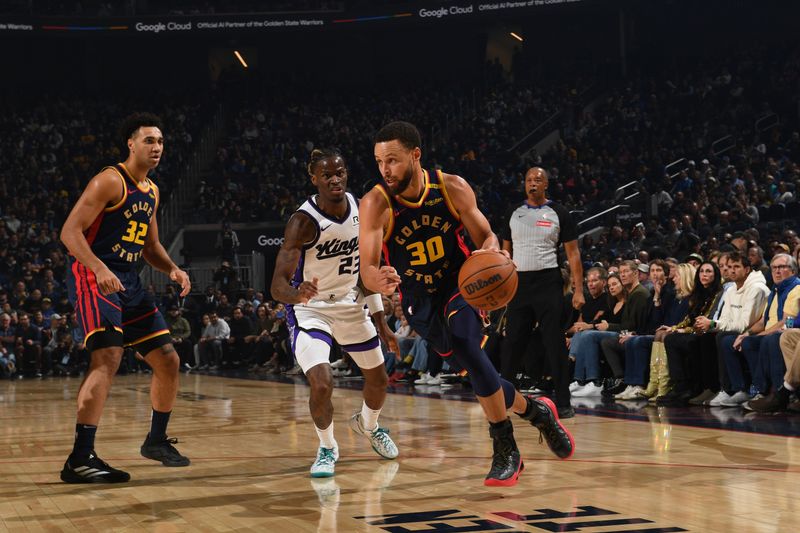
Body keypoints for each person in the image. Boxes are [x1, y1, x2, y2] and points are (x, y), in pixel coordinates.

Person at [359, 121, 573, 487]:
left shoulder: (451, 187)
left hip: (462, 285)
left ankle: (506, 447)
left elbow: (486, 235)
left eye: (392, 160)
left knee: (466, 346)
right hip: (419, 300)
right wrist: (376, 278)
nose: (385, 170)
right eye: (379, 161)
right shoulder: (376, 203)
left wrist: (490, 249)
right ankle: (536, 411)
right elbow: (367, 268)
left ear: (415, 155)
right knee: (474, 371)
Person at [59, 112, 192, 484]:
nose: (157, 147)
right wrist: (99, 268)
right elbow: (70, 233)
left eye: (161, 141)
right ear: (130, 144)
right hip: (93, 275)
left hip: (130, 281)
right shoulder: (109, 180)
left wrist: (172, 269)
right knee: (108, 356)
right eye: (149, 140)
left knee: (168, 359)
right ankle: (80, 457)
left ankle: (156, 440)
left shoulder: (151, 190)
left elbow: (149, 246)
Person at [271, 148, 399, 478]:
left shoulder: (363, 210)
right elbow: (276, 286)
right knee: (322, 383)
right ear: (314, 178)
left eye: (339, 172)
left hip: (350, 303)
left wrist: (381, 322)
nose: (334, 179)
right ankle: (327, 447)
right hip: (311, 311)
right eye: (326, 175)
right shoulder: (302, 221)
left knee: (379, 380)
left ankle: (369, 426)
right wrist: (295, 293)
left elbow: (367, 272)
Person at [499, 167, 584, 417]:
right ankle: (505, 398)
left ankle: (564, 402)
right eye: (528, 180)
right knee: (512, 342)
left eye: (537, 180)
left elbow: (573, 254)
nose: (532, 184)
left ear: (546, 184)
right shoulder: (513, 213)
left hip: (548, 280)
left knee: (554, 342)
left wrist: (579, 291)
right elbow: (505, 253)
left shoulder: (559, 212)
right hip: (519, 282)